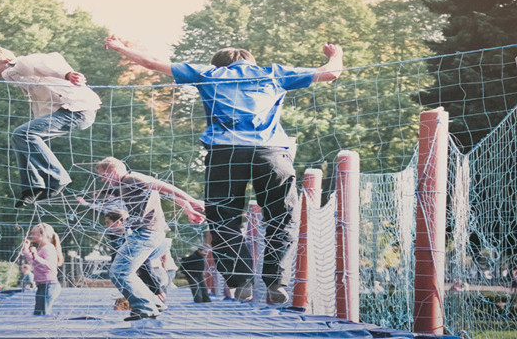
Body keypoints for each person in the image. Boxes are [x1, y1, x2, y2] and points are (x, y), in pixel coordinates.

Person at [105, 36, 343, 304]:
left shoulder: (209, 74)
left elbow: (151, 63)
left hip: (225, 154)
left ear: (218, 64)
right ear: (250, 61)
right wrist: (335, 53)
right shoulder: (273, 74)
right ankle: (276, 280)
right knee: (281, 216)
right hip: (273, 154)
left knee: (222, 216)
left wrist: (119, 47)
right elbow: (331, 73)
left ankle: (240, 280)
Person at [0, 47, 102, 207]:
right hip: (69, 111)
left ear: (5, 61)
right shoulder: (15, 75)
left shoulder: (21, 64)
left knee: (23, 134)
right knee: (19, 138)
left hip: (77, 110)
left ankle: (58, 177)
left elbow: (50, 60)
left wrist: (67, 74)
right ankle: (31, 188)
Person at [90, 157, 205, 320]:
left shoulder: (131, 179)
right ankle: (154, 303)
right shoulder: (129, 181)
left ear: (113, 172)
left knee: (119, 272)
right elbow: (163, 191)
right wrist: (188, 210)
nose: (102, 180)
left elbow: (163, 186)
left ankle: (145, 307)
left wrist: (192, 202)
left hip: (147, 233)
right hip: (150, 233)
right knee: (125, 271)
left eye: (103, 175)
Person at [21, 223, 63, 315]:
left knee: (43, 314)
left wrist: (35, 256)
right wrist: (26, 251)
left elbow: (50, 266)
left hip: (49, 286)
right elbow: (34, 262)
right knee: (38, 313)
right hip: (42, 286)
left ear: (43, 234)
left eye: (34, 233)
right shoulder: (41, 248)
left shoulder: (48, 248)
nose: (31, 235)